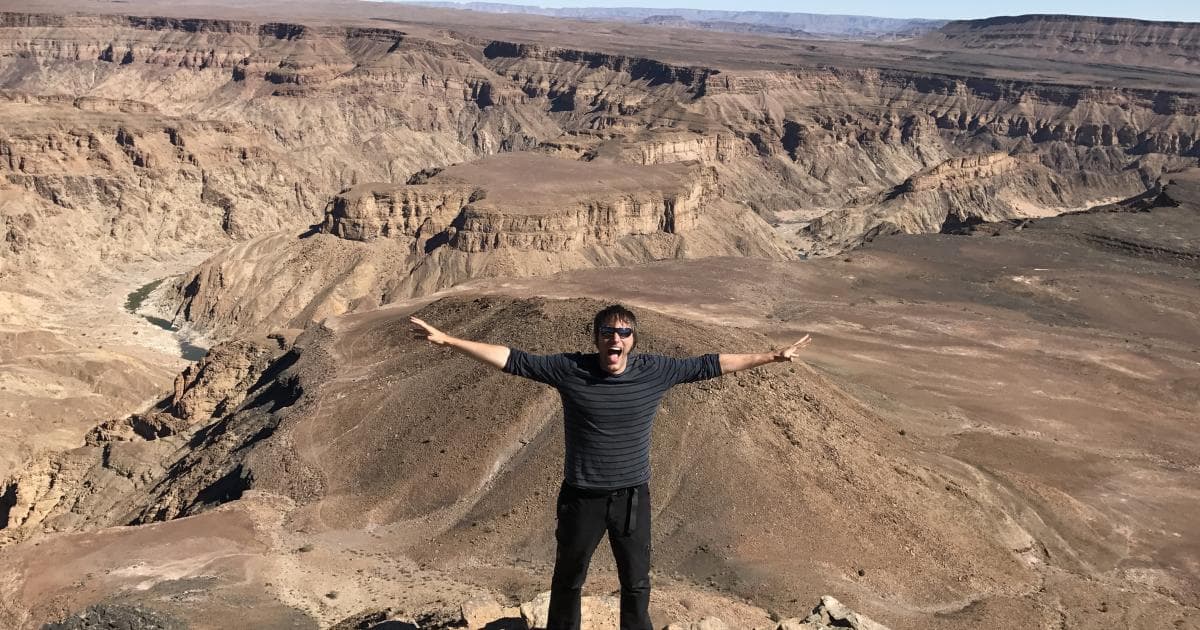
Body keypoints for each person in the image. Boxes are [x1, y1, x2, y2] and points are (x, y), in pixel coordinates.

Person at [410, 304, 812, 630]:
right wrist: (448, 340)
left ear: (633, 341)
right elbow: (513, 360)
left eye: (623, 333)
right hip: (581, 498)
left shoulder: (656, 371)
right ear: (596, 339)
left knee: (636, 582)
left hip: (632, 499)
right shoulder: (571, 369)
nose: (614, 340)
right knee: (568, 579)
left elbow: (711, 364)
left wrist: (771, 357)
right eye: (607, 333)